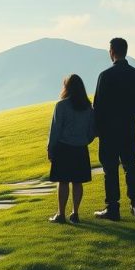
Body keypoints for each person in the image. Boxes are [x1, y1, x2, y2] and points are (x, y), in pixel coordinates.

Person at [93, 37, 135, 220]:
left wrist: (98, 128)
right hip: (128, 128)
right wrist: (130, 117)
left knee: (110, 169)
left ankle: (113, 207)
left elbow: (98, 106)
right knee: (130, 165)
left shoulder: (105, 76)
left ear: (112, 52)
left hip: (109, 131)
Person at [47, 74, 96, 224]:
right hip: (80, 149)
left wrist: (51, 148)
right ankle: (75, 213)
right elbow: (92, 131)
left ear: (66, 87)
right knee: (77, 182)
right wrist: (85, 140)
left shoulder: (61, 106)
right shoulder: (88, 107)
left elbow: (55, 129)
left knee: (63, 182)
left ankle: (61, 214)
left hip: (63, 148)